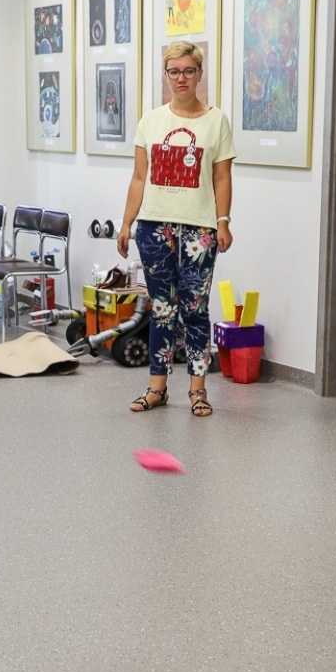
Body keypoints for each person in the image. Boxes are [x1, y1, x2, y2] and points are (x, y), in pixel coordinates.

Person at [116, 40, 234, 417]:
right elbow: (138, 178)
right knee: (163, 308)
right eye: (174, 71)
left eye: (188, 71)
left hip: (200, 230)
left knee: (195, 308)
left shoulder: (216, 121)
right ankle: (157, 388)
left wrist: (223, 222)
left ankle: (198, 390)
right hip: (154, 226)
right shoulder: (150, 121)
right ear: (165, 75)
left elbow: (222, 177)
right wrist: (126, 223)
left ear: (199, 74)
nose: (181, 78)